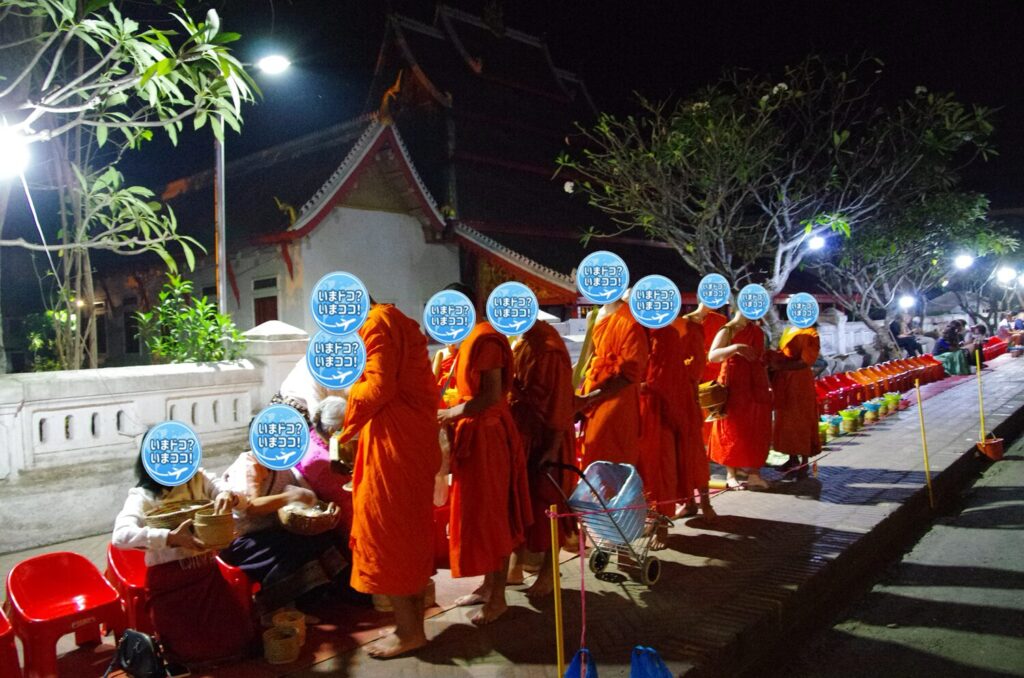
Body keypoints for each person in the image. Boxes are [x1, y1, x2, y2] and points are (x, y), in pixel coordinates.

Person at [335, 300, 442, 657]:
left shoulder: (376, 323)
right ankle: (411, 628)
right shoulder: (398, 321)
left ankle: (409, 632)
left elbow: (379, 388)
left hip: (394, 448)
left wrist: (349, 393)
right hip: (410, 442)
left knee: (389, 536)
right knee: (408, 536)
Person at [439, 284, 532, 625]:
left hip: (489, 437)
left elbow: (491, 395)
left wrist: (452, 412)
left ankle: (499, 598)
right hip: (476, 434)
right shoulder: (470, 338)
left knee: (493, 515)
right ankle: (487, 586)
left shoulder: (485, 338)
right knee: (480, 513)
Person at [112, 455, 254, 666]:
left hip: (206, 575)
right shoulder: (143, 496)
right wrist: (169, 538)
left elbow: (237, 496)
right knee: (189, 652)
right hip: (170, 585)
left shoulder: (198, 479)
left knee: (238, 642)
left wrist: (229, 495)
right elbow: (120, 536)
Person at [219, 447, 348, 623]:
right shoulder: (248, 464)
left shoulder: (285, 464)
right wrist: (290, 497)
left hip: (273, 532)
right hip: (242, 542)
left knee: (321, 537)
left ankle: (310, 599)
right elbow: (250, 508)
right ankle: (275, 609)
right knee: (291, 545)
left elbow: (310, 499)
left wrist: (328, 511)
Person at [507, 317, 576, 597]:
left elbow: (560, 401)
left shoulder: (548, 347)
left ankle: (548, 574)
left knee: (549, 506)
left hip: (549, 436)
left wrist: (552, 446)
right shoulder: (522, 341)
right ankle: (515, 565)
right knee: (520, 502)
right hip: (524, 432)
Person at [576, 295, 650, 465]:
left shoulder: (632, 319)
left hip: (617, 400)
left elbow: (628, 375)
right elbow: (588, 360)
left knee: (614, 455)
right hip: (593, 393)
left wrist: (589, 398)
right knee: (593, 453)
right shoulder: (594, 316)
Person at [707, 311, 772, 490]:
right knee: (732, 429)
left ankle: (754, 474)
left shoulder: (757, 331)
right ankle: (730, 474)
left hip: (756, 383)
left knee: (756, 428)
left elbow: (759, 356)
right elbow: (712, 356)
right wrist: (735, 348)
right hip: (734, 385)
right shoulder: (728, 330)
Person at [637, 321, 687, 548]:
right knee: (642, 467)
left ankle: (663, 524)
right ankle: (651, 517)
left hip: (662, 409)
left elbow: (670, 375)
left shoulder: (668, 335)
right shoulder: (638, 332)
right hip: (638, 408)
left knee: (662, 467)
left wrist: (643, 385)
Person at [674, 310, 717, 521]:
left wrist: (673, 372)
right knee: (671, 457)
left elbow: (698, 363)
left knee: (693, 453)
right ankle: (688, 502)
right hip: (658, 401)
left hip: (683, 398)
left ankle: (706, 503)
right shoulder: (644, 327)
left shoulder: (687, 326)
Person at [768, 325, 822, 480]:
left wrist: (781, 365)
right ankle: (792, 458)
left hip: (799, 381)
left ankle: (804, 462)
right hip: (784, 380)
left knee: (801, 418)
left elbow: (806, 361)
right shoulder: (788, 330)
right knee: (786, 419)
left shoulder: (811, 334)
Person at [294, 396, 354, 534]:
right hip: (342, 525)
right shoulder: (322, 463)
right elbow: (346, 507)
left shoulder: (314, 434)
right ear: (335, 431)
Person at [691, 303, 729, 445]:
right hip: (694, 370)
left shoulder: (721, 321)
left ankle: (711, 444)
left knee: (712, 407)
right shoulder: (687, 320)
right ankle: (699, 443)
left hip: (713, 371)